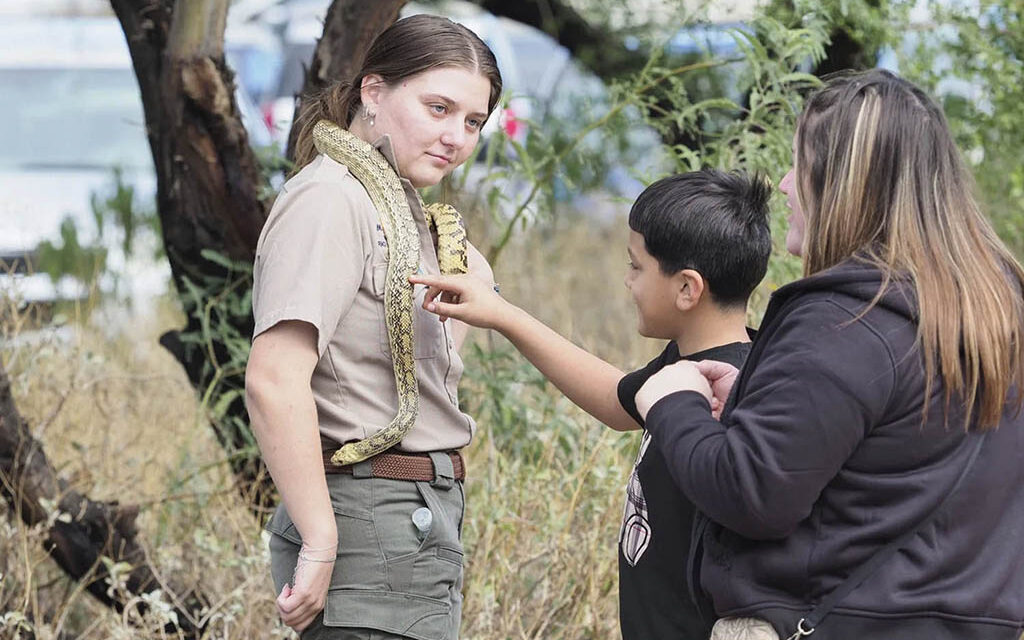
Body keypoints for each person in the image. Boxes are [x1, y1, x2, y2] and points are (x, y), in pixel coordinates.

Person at [634, 69, 1024, 640]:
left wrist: (675, 404)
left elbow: (751, 495)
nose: (787, 185)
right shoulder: (995, 312)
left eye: (802, 164)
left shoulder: (847, 319)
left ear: (846, 181)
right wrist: (748, 407)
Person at [410, 169, 772, 639]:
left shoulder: (733, 389)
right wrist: (500, 312)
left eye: (636, 267)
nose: (627, 281)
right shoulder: (685, 364)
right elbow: (617, 400)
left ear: (687, 288)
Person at [244, 14, 501, 639]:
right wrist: (321, 537)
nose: (455, 137)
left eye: (473, 121)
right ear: (373, 91)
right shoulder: (332, 198)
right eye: (437, 107)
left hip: (415, 515)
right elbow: (274, 380)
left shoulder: (402, 207)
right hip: (365, 511)